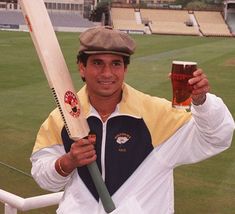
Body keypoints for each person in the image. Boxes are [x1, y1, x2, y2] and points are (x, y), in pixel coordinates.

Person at [31, 26, 235, 214]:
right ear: (82, 67)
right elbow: (42, 176)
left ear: (125, 69)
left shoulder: (157, 115)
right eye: (98, 63)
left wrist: (202, 101)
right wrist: (67, 163)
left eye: (116, 64)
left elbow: (216, 138)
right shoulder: (61, 118)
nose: (107, 73)